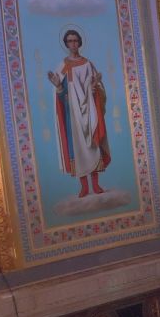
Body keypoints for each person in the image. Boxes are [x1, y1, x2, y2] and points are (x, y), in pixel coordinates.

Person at [48, 30, 111, 197]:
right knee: (77, 149)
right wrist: (58, 87)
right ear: (66, 43)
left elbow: (98, 88)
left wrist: (96, 86)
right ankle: (84, 187)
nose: (73, 44)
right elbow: (61, 96)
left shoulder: (88, 64)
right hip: (73, 114)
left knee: (92, 145)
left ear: (80, 42)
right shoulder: (63, 66)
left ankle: (95, 185)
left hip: (89, 112)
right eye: (70, 41)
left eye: (75, 40)